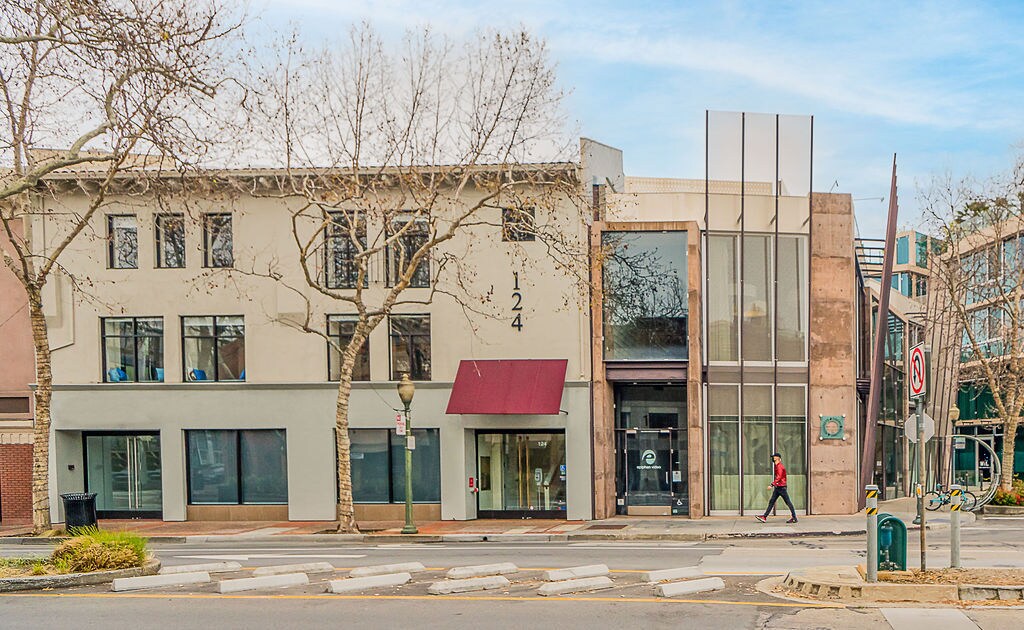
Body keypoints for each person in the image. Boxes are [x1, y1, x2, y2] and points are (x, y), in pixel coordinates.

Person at [755, 452, 798, 524]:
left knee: (788, 502)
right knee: (772, 502)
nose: (773, 458)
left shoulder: (779, 466)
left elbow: (779, 477)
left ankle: (794, 517)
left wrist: (772, 485)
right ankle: (764, 517)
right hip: (778, 487)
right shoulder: (777, 466)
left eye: (774, 457)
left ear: (777, 458)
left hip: (781, 488)